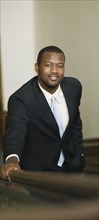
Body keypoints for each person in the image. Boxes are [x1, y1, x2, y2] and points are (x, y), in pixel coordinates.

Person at [0, 45, 85, 181]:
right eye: (48, 65)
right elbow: (15, 132)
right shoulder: (22, 99)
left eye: (60, 66)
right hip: (39, 173)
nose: (54, 71)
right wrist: (12, 159)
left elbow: (75, 123)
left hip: (71, 168)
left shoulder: (74, 87)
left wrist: (80, 155)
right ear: (36, 67)